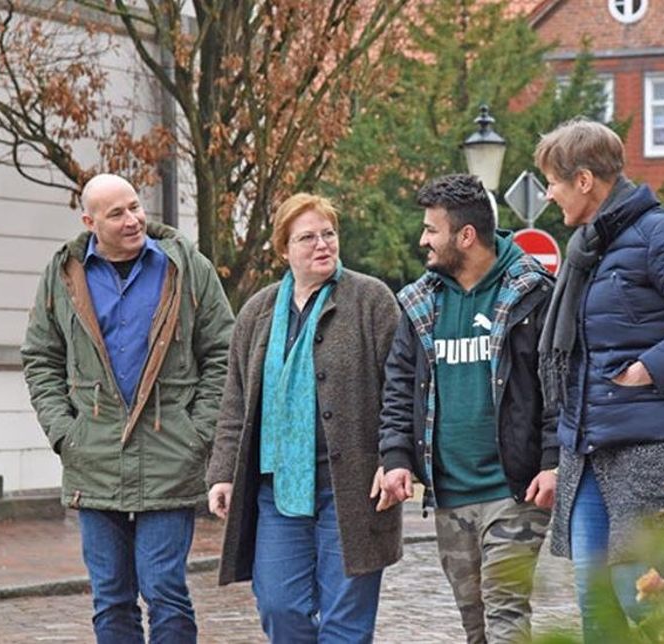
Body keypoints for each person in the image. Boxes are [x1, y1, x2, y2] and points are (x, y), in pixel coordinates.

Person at [534, 119, 664, 642]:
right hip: (586, 450)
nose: (548, 194)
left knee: (639, 595)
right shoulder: (585, 251)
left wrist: (648, 368)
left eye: (553, 182)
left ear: (584, 180)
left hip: (650, 450)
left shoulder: (661, 235)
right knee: (595, 602)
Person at [21, 173, 234, 643]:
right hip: (92, 456)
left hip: (171, 454)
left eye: (135, 206)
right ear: (90, 220)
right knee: (111, 597)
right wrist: (65, 433)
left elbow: (224, 351)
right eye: (116, 213)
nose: (133, 219)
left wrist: (197, 431)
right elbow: (41, 358)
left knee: (165, 592)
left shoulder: (186, 266)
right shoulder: (63, 274)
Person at [205, 193, 402, 643]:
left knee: (344, 624)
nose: (322, 245)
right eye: (307, 237)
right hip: (278, 490)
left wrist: (395, 457)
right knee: (279, 607)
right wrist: (223, 473)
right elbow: (236, 399)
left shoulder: (371, 300)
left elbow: (401, 390)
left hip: (351, 490)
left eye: (328, 234)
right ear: (284, 250)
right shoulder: (257, 312)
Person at [378, 174, 558, 643]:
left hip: (513, 489)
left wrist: (553, 462)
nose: (423, 240)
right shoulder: (422, 303)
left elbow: (558, 388)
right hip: (450, 492)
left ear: (465, 236)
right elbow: (399, 388)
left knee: (505, 612)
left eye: (431, 230)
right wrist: (396, 459)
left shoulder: (532, 294)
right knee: (474, 624)